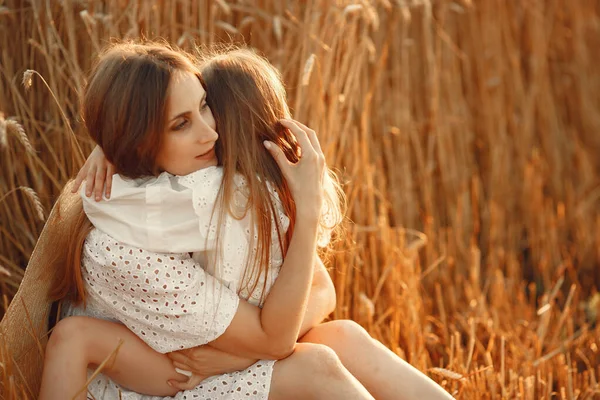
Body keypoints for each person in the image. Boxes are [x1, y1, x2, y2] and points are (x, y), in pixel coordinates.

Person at [40, 43, 454, 400]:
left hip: (209, 367)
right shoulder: (127, 243)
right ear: (135, 141)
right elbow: (274, 340)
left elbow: (321, 289)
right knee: (317, 366)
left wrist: (236, 357)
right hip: (158, 387)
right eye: (182, 124)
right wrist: (307, 211)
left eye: (205, 106)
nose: (212, 133)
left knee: (343, 335)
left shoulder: (213, 186)